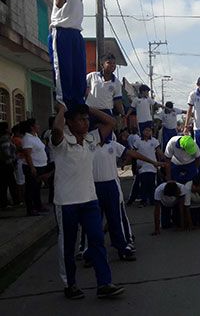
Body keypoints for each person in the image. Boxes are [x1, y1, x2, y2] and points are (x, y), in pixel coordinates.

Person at [51, 103, 124, 299]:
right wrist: (62, 110)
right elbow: (57, 130)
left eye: (86, 119)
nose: (86, 122)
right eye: (81, 119)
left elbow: (111, 121)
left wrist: (88, 108)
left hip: (90, 200)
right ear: (70, 122)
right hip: (66, 202)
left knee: (97, 241)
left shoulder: (91, 139)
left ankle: (104, 283)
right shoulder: (61, 142)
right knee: (68, 245)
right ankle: (70, 284)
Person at [91, 131, 161, 260]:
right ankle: (90, 252)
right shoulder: (87, 144)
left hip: (111, 184)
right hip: (92, 186)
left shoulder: (113, 144)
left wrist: (153, 162)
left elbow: (132, 153)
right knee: (93, 221)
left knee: (116, 218)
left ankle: (122, 246)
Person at [49, 0, 98, 110]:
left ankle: (78, 104)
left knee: (79, 74)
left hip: (76, 35)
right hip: (62, 33)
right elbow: (58, 2)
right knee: (64, 73)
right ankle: (65, 105)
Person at [86, 53, 125, 129]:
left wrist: (123, 114)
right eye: (109, 63)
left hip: (106, 112)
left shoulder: (116, 82)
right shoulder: (92, 76)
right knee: (89, 136)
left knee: (105, 137)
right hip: (90, 111)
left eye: (114, 63)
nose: (112, 65)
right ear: (102, 64)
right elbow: (83, 90)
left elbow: (117, 101)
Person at [21, 119, 50, 216]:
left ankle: (38, 206)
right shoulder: (27, 138)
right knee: (31, 188)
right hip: (33, 166)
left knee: (37, 188)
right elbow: (28, 155)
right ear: (32, 127)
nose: (39, 126)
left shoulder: (35, 137)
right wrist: (32, 167)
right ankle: (30, 209)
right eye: (36, 124)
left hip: (40, 166)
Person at [132, 126, 164, 206]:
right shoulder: (138, 141)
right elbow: (133, 153)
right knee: (143, 184)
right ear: (142, 132)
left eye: (149, 130)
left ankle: (152, 200)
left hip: (152, 166)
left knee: (152, 184)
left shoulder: (155, 141)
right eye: (146, 130)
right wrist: (133, 165)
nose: (148, 132)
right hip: (142, 167)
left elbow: (159, 152)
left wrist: (164, 159)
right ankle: (143, 201)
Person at [0, 122, 19, 209]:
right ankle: (15, 201)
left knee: (5, 184)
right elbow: (6, 152)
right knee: (10, 183)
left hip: (4, 164)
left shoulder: (5, 138)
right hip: (6, 164)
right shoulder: (5, 138)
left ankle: (5, 202)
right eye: (8, 127)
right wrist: (14, 156)